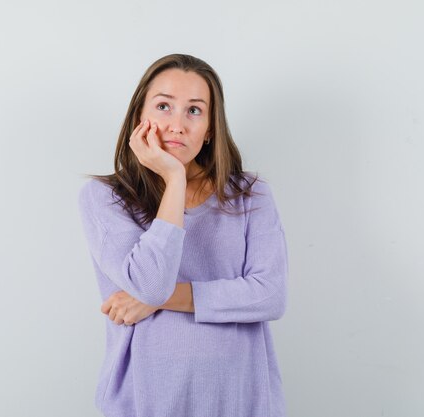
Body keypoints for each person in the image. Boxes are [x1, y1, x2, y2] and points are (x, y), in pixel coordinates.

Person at [77, 53, 289, 417]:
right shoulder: (106, 198)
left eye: (194, 110)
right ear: (139, 118)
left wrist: (159, 300)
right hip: (146, 401)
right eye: (163, 106)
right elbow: (149, 282)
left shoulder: (249, 195)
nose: (177, 124)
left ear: (210, 128)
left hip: (241, 400)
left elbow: (269, 296)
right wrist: (174, 179)